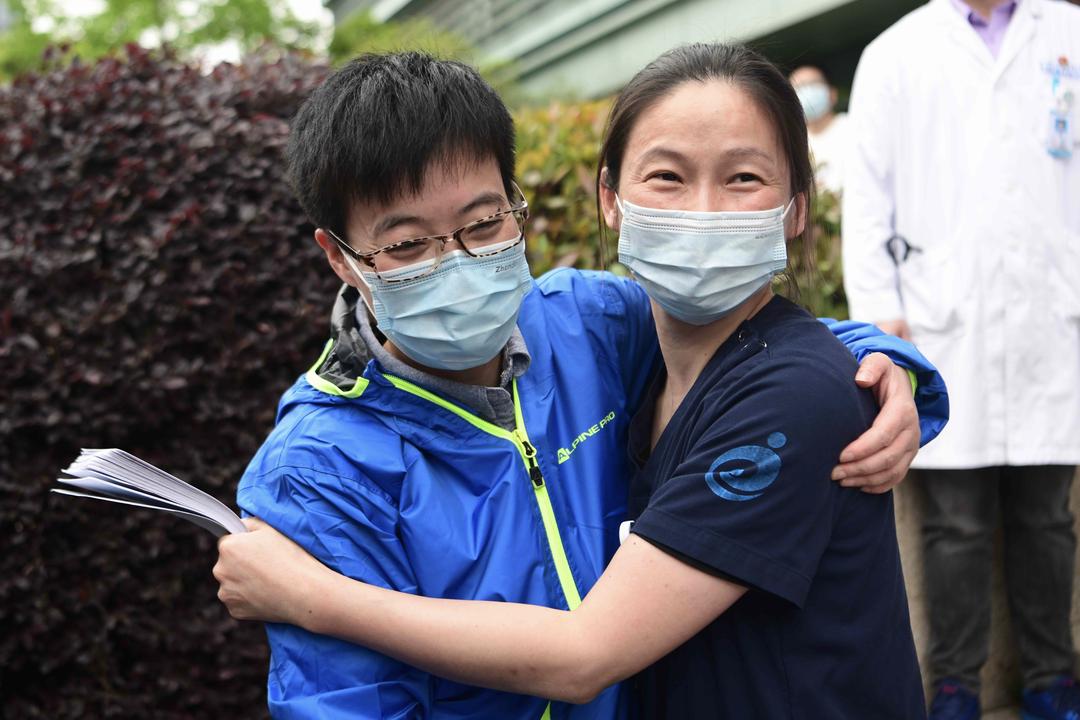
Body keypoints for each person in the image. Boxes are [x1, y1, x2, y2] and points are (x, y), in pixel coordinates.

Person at [216, 44, 945, 719]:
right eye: (407, 244)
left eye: (482, 224)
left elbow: (745, 344)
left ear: (515, 200)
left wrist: (887, 368)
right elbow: (346, 703)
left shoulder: (586, 325)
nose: (456, 261)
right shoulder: (316, 472)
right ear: (340, 256)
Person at [842, 1, 1080, 718]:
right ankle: (954, 687)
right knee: (954, 527)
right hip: (941, 328)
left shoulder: (1068, 32)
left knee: (1050, 521)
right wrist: (882, 323)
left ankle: (1053, 680)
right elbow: (867, 205)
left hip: (1050, 322)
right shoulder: (893, 54)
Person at [789, 64, 849, 194]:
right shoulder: (792, 145)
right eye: (799, 88)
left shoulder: (852, 128)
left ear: (832, 94)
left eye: (812, 84)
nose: (807, 92)